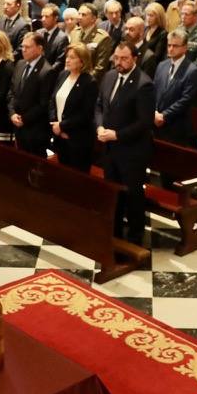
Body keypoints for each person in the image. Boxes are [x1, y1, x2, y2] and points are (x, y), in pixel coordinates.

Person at [96, 42, 155, 244]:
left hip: (132, 151)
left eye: (124, 59)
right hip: (110, 149)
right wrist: (99, 127)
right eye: (117, 58)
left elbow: (144, 122)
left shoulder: (143, 84)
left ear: (134, 59)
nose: (119, 62)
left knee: (133, 196)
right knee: (113, 193)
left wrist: (117, 135)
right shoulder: (110, 76)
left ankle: (135, 239)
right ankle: (114, 232)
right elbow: (99, 106)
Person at [50, 43, 98, 171]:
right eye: (67, 56)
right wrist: (55, 124)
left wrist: (62, 126)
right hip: (59, 136)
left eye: (72, 57)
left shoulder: (89, 82)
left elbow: (86, 114)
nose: (67, 60)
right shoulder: (63, 75)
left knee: (76, 178)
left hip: (78, 139)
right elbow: (53, 100)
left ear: (82, 61)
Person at [152, 29, 197, 149]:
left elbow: (186, 100)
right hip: (155, 122)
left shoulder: (192, 70)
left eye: (175, 46)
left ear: (185, 48)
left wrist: (164, 116)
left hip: (175, 125)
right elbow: (153, 91)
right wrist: (154, 113)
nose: (171, 49)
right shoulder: (162, 65)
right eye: (169, 45)